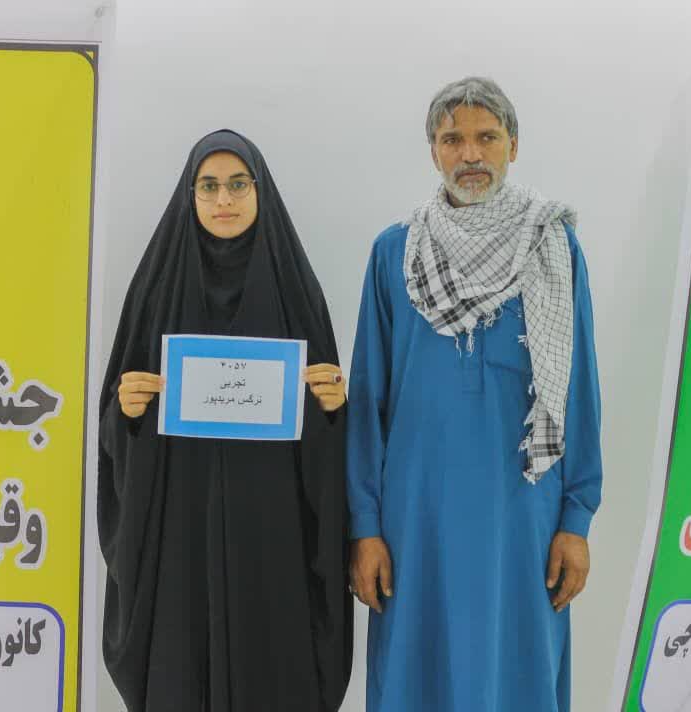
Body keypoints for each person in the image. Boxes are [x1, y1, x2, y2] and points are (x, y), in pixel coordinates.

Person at [346, 77, 603, 712]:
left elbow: (579, 390)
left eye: (487, 137)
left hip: (523, 513)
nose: (470, 155)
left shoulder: (553, 246)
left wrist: (576, 520)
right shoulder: (396, 253)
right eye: (452, 139)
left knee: (517, 668)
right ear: (433, 151)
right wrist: (365, 526)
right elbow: (368, 400)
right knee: (414, 672)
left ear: (514, 145)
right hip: (417, 517)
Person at [98, 130, 353, 712]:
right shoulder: (155, 291)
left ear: (260, 191)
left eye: (239, 184)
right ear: (190, 194)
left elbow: (327, 438)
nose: (223, 200)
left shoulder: (295, 292)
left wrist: (332, 410)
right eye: (208, 186)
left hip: (273, 536)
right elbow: (115, 432)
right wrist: (127, 414)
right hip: (178, 533)